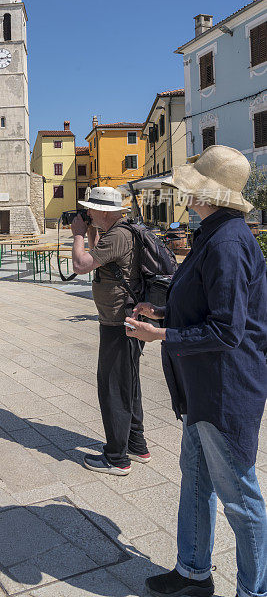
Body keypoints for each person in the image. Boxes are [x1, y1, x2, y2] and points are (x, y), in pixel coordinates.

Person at [125, 145, 267, 597]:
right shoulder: (216, 233)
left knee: (241, 500)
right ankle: (193, 572)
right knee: (198, 478)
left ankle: (255, 590)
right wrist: (165, 313)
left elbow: (228, 330)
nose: (186, 198)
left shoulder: (226, 242)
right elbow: (208, 305)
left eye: (192, 191)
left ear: (207, 195)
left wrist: (161, 336)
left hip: (224, 389)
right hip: (203, 386)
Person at [71, 186, 150, 475]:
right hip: (124, 318)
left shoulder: (118, 235)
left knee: (113, 387)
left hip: (118, 321)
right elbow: (98, 256)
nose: (87, 213)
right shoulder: (120, 232)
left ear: (103, 210)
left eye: (90, 209)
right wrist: (91, 231)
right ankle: (136, 444)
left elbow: (81, 264)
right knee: (128, 383)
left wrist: (78, 232)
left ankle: (117, 458)